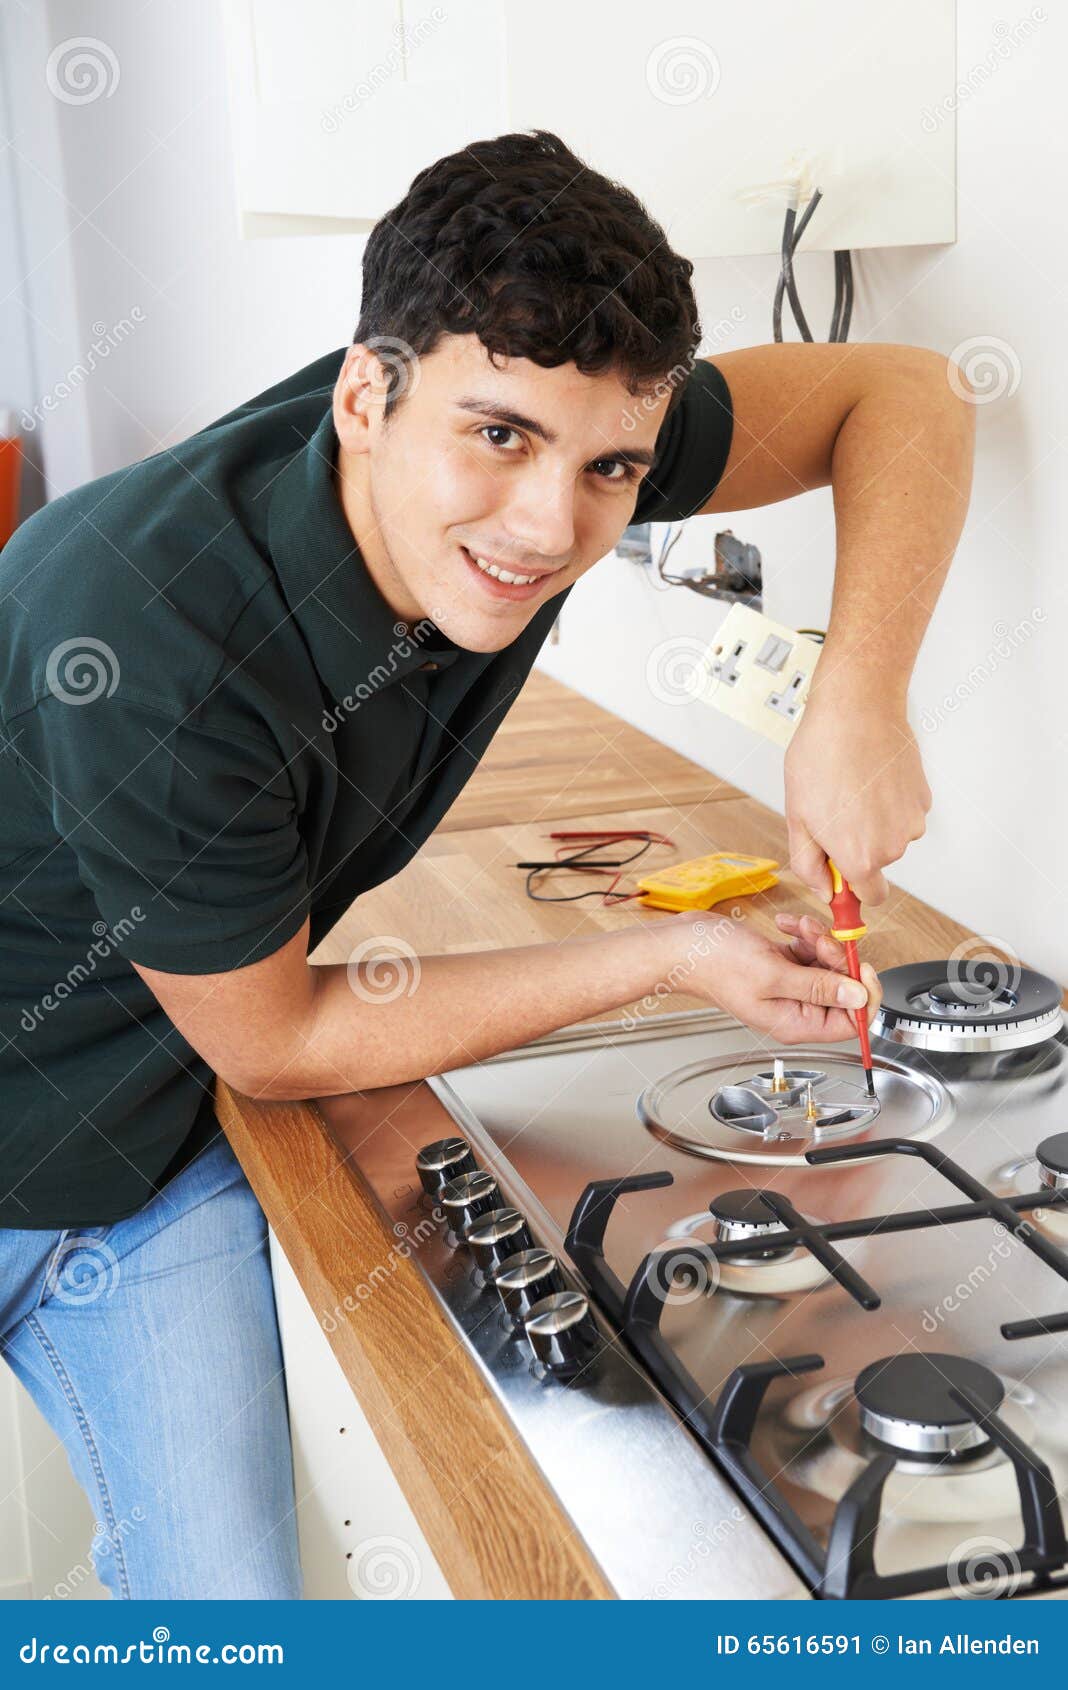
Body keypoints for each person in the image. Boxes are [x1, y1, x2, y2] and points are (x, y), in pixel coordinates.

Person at [0, 130, 974, 1598]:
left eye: (611, 470)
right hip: (141, 1074)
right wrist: (661, 952)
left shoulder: (536, 437)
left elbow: (900, 392)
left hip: (153, 1124)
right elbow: (282, 1038)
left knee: (230, 1621)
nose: (550, 526)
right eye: (499, 438)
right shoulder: (153, 640)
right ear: (363, 395)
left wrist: (857, 692)